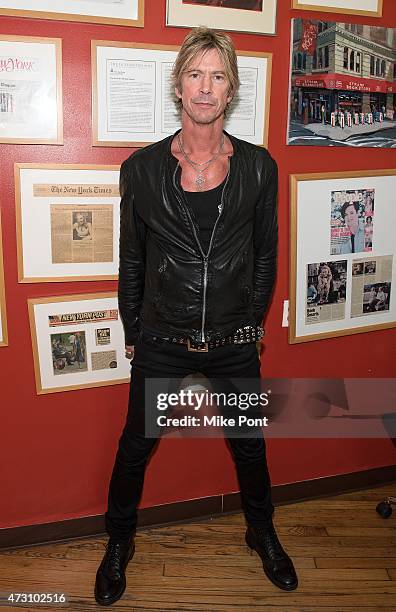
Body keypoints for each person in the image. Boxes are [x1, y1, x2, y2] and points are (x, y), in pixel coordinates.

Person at [94, 27, 297, 606]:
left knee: (249, 445)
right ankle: (118, 543)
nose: (205, 88)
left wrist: (252, 323)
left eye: (217, 76)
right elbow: (131, 257)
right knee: (136, 445)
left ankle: (263, 534)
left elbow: (266, 254)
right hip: (162, 334)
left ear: (231, 90)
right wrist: (134, 331)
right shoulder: (141, 169)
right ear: (178, 85)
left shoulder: (259, 168)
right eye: (194, 74)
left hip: (234, 338)